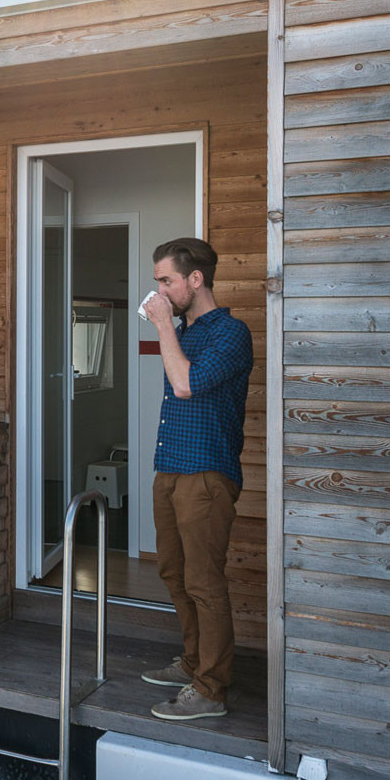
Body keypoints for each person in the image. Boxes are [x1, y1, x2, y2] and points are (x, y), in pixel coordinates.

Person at [137, 237, 253, 721]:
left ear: (195, 280)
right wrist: (169, 325)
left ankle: (210, 690)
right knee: (173, 572)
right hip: (172, 470)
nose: (159, 289)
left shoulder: (232, 334)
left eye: (165, 280)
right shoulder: (181, 330)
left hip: (206, 474)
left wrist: (164, 323)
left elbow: (184, 385)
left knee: (204, 583)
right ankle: (192, 663)